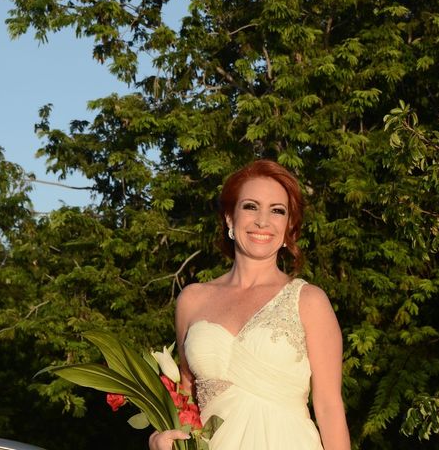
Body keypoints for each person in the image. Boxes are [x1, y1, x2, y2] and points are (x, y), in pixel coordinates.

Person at [149, 160, 350, 450]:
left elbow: (329, 408)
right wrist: (160, 437)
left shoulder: (309, 301)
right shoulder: (191, 300)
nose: (262, 221)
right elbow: (185, 397)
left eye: (277, 210)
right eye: (251, 206)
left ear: (289, 225)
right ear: (230, 217)